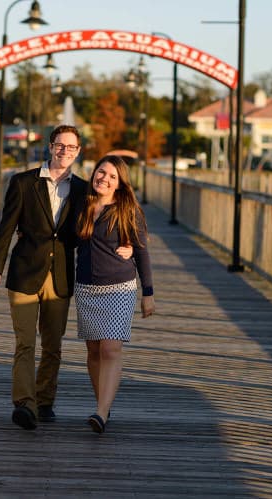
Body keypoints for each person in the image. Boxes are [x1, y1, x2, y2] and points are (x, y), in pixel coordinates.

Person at [0, 124, 90, 430]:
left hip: (60, 276)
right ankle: (24, 404)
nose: (64, 151)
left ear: (78, 152)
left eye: (71, 147)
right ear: (49, 146)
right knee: (25, 342)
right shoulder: (23, 182)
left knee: (53, 345)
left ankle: (45, 401)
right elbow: (6, 228)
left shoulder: (83, 189)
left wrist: (124, 246)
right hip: (24, 271)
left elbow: (91, 232)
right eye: (60, 145)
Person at [74, 155, 155, 434]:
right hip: (86, 287)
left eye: (112, 176)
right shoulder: (82, 206)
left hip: (119, 287)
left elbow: (142, 251)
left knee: (111, 348)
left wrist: (148, 292)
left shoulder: (127, 210)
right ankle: (103, 405)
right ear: (93, 172)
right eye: (101, 172)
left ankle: (101, 412)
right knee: (94, 350)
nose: (104, 179)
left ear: (120, 184)